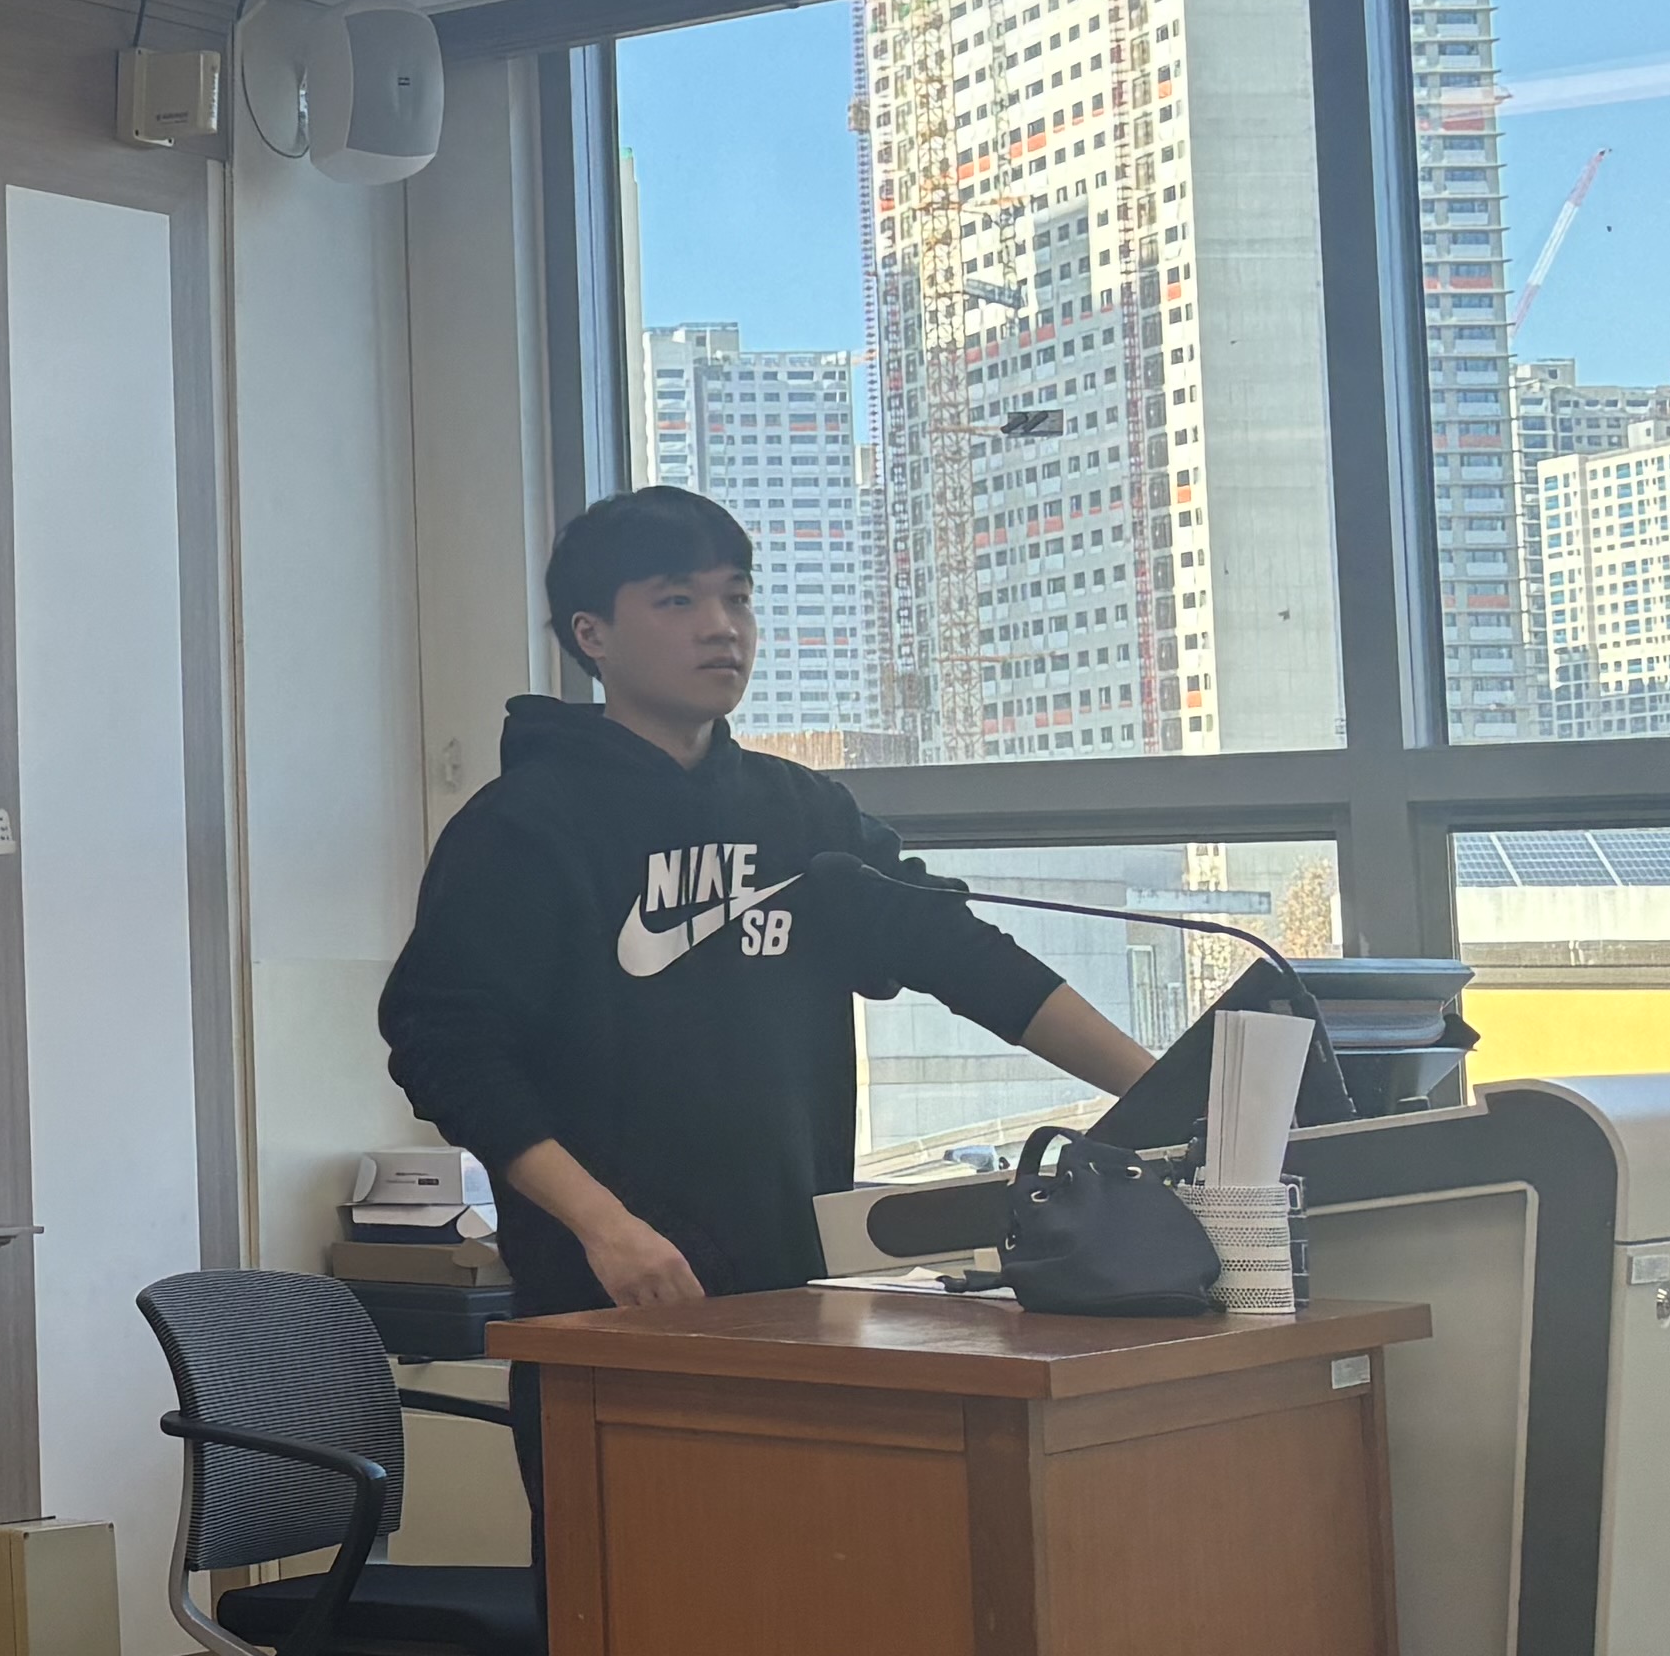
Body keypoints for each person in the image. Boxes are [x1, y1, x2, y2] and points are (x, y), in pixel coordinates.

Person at [381, 483, 1155, 1317]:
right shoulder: (523, 826)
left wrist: (1168, 1099)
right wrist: (606, 1228)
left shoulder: (805, 814)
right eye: (678, 600)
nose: (722, 627)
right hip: (614, 1299)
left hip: (800, 1289)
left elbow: (960, 954)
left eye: (738, 598)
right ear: (591, 633)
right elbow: (447, 1050)